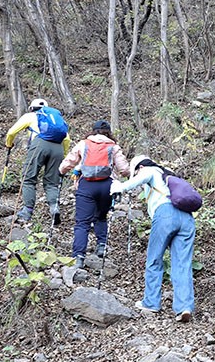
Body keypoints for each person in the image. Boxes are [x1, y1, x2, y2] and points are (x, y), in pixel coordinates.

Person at [110, 155, 195, 323]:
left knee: (154, 259)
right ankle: (184, 307)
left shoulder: (149, 171)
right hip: (187, 219)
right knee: (182, 264)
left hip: (165, 215)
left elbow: (141, 178)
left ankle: (151, 302)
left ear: (139, 167)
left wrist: (120, 186)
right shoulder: (169, 176)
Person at [58, 120, 129, 269]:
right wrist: (129, 175)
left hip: (87, 185)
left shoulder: (84, 144)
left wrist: (61, 171)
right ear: (108, 132)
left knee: (82, 223)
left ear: (93, 131)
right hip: (106, 186)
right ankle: (101, 245)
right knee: (101, 216)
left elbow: (69, 161)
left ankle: (78, 257)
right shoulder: (113, 146)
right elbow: (123, 169)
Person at [5, 99, 70, 225]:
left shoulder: (31, 116)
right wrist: (65, 155)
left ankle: (27, 211)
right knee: (52, 182)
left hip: (39, 146)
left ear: (31, 108)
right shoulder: (57, 120)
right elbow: (67, 140)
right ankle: (54, 208)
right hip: (58, 148)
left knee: (28, 178)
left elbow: (11, 132)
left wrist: (9, 144)